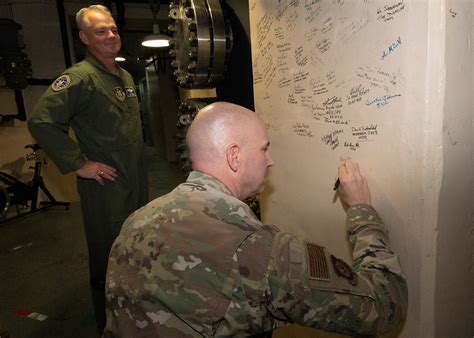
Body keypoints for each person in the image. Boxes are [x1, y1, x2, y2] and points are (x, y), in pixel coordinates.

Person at [104, 102, 407, 337]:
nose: (270, 159)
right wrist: (361, 212)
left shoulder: (137, 220)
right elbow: (384, 306)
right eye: (264, 148)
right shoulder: (260, 253)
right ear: (234, 157)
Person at [27, 5, 148, 332]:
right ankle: (108, 323)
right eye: (101, 31)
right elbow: (41, 121)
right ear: (84, 37)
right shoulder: (80, 78)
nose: (111, 36)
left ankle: (133, 309)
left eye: (113, 29)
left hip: (135, 178)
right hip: (106, 185)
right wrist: (80, 163)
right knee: (108, 255)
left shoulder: (121, 76)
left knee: (135, 244)